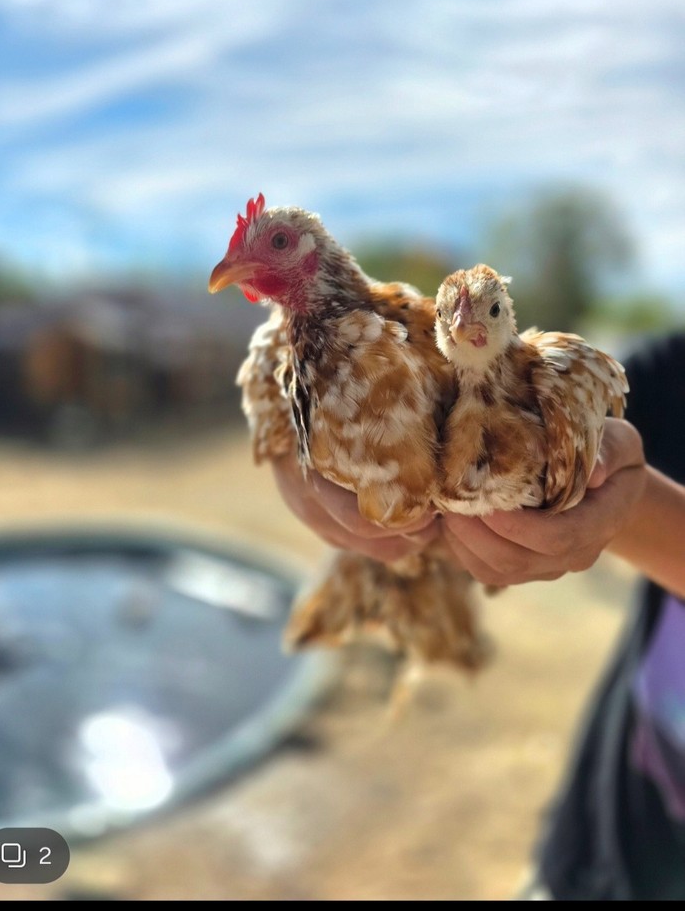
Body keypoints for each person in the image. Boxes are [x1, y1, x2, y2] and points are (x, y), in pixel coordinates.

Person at [271, 331, 685, 900]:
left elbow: (599, 469)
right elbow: (517, 389)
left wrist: (631, 505)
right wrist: (343, 415)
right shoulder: (674, 369)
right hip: (601, 848)